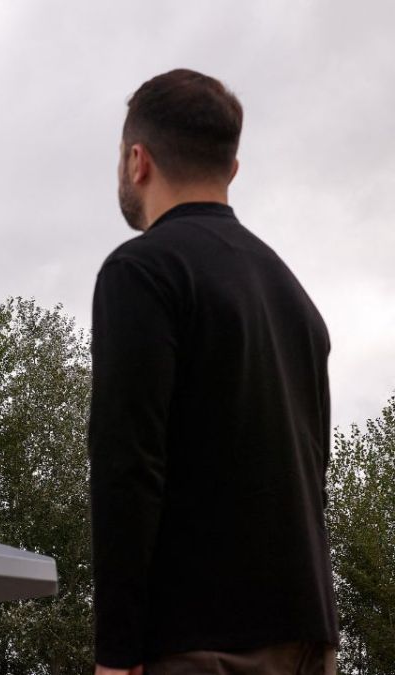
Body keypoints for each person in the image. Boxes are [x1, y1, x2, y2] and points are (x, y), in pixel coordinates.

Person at [89, 68, 338, 675]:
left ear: (137, 161)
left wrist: (116, 654)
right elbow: (313, 467)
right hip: (309, 636)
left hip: (201, 642)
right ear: (231, 167)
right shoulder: (294, 297)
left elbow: (128, 465)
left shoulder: (141, 272)